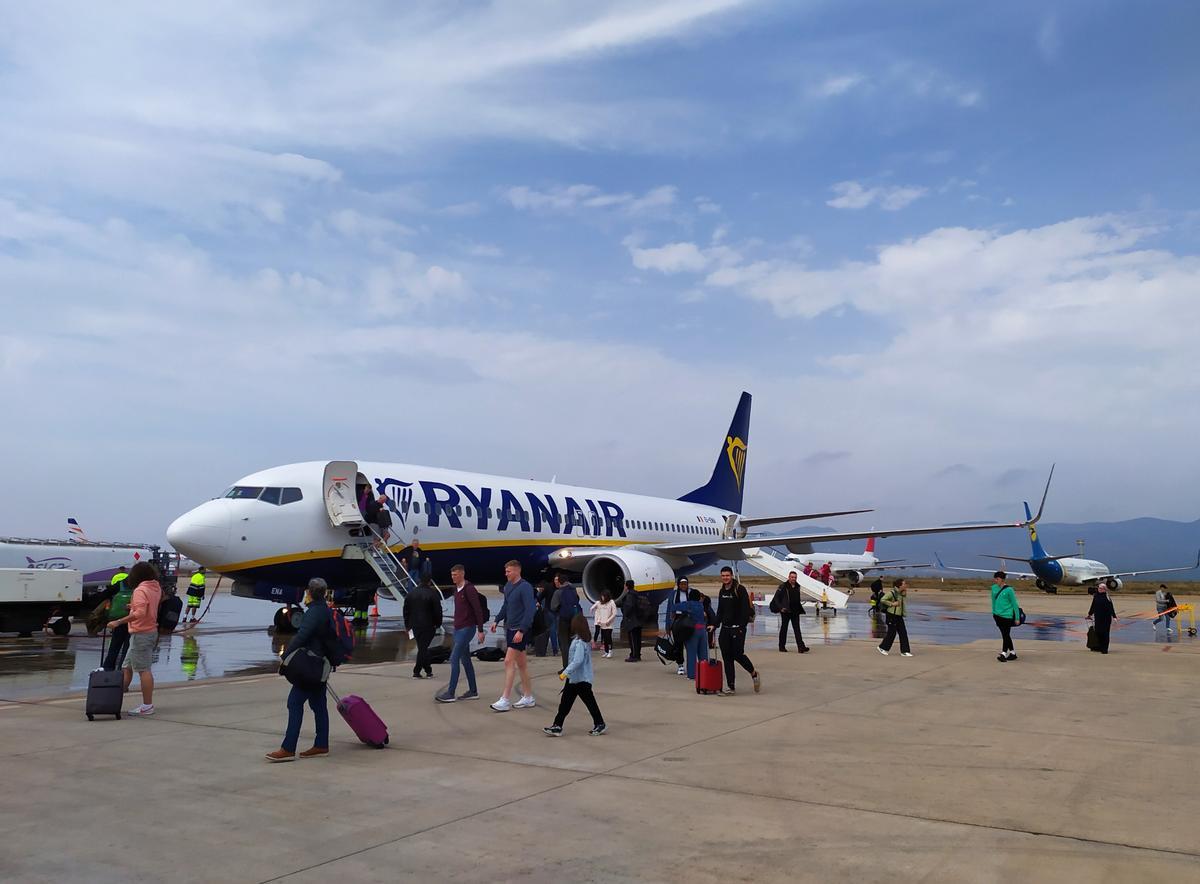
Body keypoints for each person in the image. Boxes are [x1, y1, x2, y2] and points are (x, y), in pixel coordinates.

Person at [266, 578, 334, 761]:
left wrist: (285, 656)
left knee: (294, 703)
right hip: (321, 666)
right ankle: (321, 744)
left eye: (306, 592)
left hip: (311, 667)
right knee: (319, 705)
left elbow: (301, 636)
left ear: (310, 593)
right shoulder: (325, 610)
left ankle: (288, 748)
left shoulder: (313, 613)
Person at [106, 561, 163, 716]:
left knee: (143, 669)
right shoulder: (155, 587)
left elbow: (140, 614)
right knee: (127, 666)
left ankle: (147, 705)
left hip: (142, 633)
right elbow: (146, 608)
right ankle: (114, 698)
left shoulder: (140, 590)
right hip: (148, 631)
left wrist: (118, 622)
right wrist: (134, 607)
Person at [543, 613, 606, 737]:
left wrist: (565, 673)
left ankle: (600, 723)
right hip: (574, 680)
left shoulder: (580, 643)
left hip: (581, 680)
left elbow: (577, 660)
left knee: (589, 703)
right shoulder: (580, 640)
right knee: (565, 704)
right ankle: (557, 725)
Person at [490, 560, 536, 711]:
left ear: (517, 571)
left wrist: (522, 631)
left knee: (508, 661)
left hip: (520, 630)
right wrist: (497, 620)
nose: (506, 574)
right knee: (522, 665)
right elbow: (506, 605)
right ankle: (528, 697)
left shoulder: (525, 587)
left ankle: (505, 699)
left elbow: (530, 610)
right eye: (506, 571)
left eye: (508, 571)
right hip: (510, 629)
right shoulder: (508, 586)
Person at [436, 565, 486, 702]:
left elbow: (478, 610)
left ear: (462, 574)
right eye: (452, 575)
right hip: (458, 629)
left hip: (467, 629)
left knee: (454, 658)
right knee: (466, 660)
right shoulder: (455, 590)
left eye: (456, 575)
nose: (453, 577)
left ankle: (450, 693)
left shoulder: (469, 589)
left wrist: (480, 630)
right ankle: (473, 691)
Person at [716, 566, 761, 693]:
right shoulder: (722, 591)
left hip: (738, 629)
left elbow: (745, 610)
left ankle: (753, 673)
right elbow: (720, 611)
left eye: (727, 575)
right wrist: (714, 624)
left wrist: (741, 627)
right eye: (723, 575)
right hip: (725, 629)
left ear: (732, 576)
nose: (725, 578)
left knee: (737, 655)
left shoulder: (739, 590)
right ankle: (731, 686)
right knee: (726, 657)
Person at [403, 577, 443, 679]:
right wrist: (438, 623)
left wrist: (407, 625)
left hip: (415, 625)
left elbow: (406, 611)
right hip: (428, 625)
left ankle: (428, 670)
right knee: (423, 648)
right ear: (429, 582)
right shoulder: (433, 594)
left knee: (422, 647)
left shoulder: (411, 594)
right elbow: (438, 611)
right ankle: (416, 671)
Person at [102, 566, 132, 670]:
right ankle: (121, 671)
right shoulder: (137, 587)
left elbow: (108, 592)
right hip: (131, 619)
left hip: (117, 618)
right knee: (127, 648)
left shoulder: (119, 581)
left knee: (114, 646)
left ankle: (107, 669)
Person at [773, 571, 809, 653]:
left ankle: (801, 647)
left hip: (795, 611)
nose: (793, 579)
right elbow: (776, 598)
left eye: (795, 577)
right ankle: (781, 646)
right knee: (784, 628)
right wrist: (781, 608)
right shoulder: (783, 586)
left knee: (797, 629)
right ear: (789, 577)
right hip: (786, 611)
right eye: (792, 577)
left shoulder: (797, 586)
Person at [990, 571, 1020, 662]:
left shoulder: (1009, 590)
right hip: (997, 616)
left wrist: (1017, 617)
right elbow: (993, 602)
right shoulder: (993, 588)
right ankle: (1012, 653)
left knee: (1005, 635)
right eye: (995, 579)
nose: (995, 580)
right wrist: (994, 613)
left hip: (1007, 616)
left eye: (997, 579)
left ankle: (1003, 653)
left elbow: (1015, 604)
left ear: (1002, 579)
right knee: (1005, 635)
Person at [877, 578, 912, 657]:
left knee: (903, 633)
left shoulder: (901, 593)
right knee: (891, 633)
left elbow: (902, 600)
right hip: (891, 615)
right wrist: (892, 604)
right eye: (904, 584)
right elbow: (883, 599)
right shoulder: (892, 593)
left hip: (899, 616)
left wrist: (904, 592)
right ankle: (882, 647)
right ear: (899, 585)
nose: (905, 585)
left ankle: (905, 651)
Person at [665, 578, 693, 675]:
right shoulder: (673, 594)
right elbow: (669, 609)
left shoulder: (691, 593)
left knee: (690, 644)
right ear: (678, 585)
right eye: (681, 584)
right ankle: (680, 664)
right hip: (677, 620)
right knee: (678, 644)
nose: (683, 586)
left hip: (689, 620)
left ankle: (691, 665)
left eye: (685, 584)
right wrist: (667, 626)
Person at [554, 571, 581, 670]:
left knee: (564, 644)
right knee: (573, 643)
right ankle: (574, 665)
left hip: (563, 620)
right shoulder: (573, 590)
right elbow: (577, 601)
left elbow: (553, 607)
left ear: (560, 582)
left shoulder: (558, 592)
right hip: (574, 619)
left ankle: (566, 666)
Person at [1087, 583, 1116, 654]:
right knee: (1098, 632)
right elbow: (1093, 606)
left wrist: (1114, 616)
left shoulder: (1107, 597)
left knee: (1105, 634)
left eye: (1100, 588)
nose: (1099, 589)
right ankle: (1100, 646)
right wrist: (1090, 614)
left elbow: (1111, 608)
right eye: (1098, 588)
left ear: (1104, 589)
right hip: (1098, 618)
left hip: (1106, 619)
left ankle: (1105, 649)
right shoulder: (1096, 596)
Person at [620, 580, 643, 662]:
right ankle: (637, 654)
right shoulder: (637, 594)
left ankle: (634, 655)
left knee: (632, 639)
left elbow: (629, 607)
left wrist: (625, 613)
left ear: (627, 586)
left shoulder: (630, 596)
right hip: (639, 619)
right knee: (638, 639)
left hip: (632, 620)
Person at [591, 590, 617, 658]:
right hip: (602, 624)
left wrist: (608, 620)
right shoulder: (600, 603)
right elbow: (599, 613)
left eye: (603, 596)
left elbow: (614, 613)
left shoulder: (611, 602)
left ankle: (610, 651)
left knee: (608, 638)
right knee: (604, 638)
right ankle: (606, 651)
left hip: (609, 624)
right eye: (602, 596)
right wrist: (598, 620)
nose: (602, 598)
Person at [538, 580, 560, 656]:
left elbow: (539, 598)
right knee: (555, 630)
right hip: (553, 612)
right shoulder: (556, 588)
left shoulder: (550, 588)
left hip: (553, 612)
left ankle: (556, 649)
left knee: (554, 630)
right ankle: (557, 649)